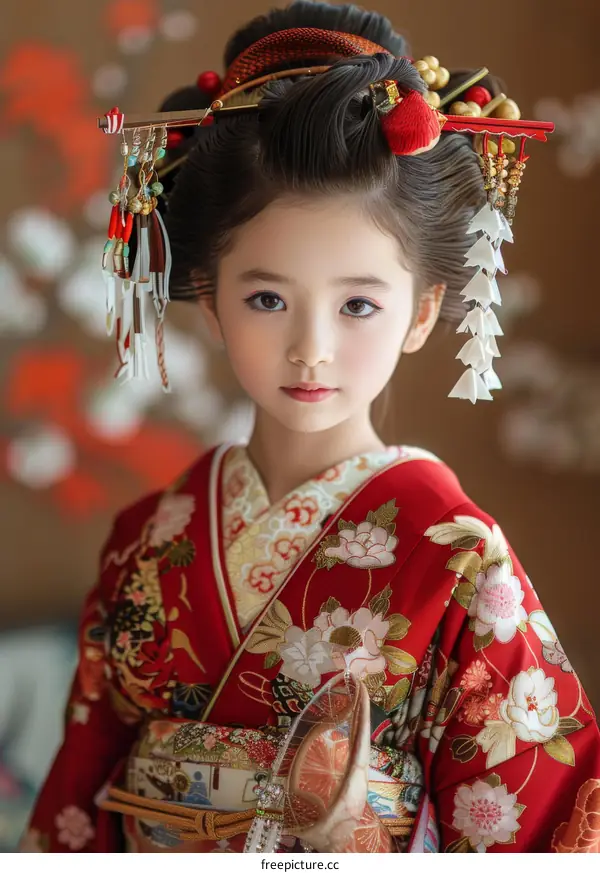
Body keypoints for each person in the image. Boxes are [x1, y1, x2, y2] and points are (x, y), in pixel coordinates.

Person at [21, 0, 600, 854]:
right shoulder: (148, 540)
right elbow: (76, 808)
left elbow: (538, 819)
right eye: (266, 298)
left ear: (423, 312)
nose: (311, 349)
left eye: (359, 303)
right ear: (211, 304)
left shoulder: (451, 549)